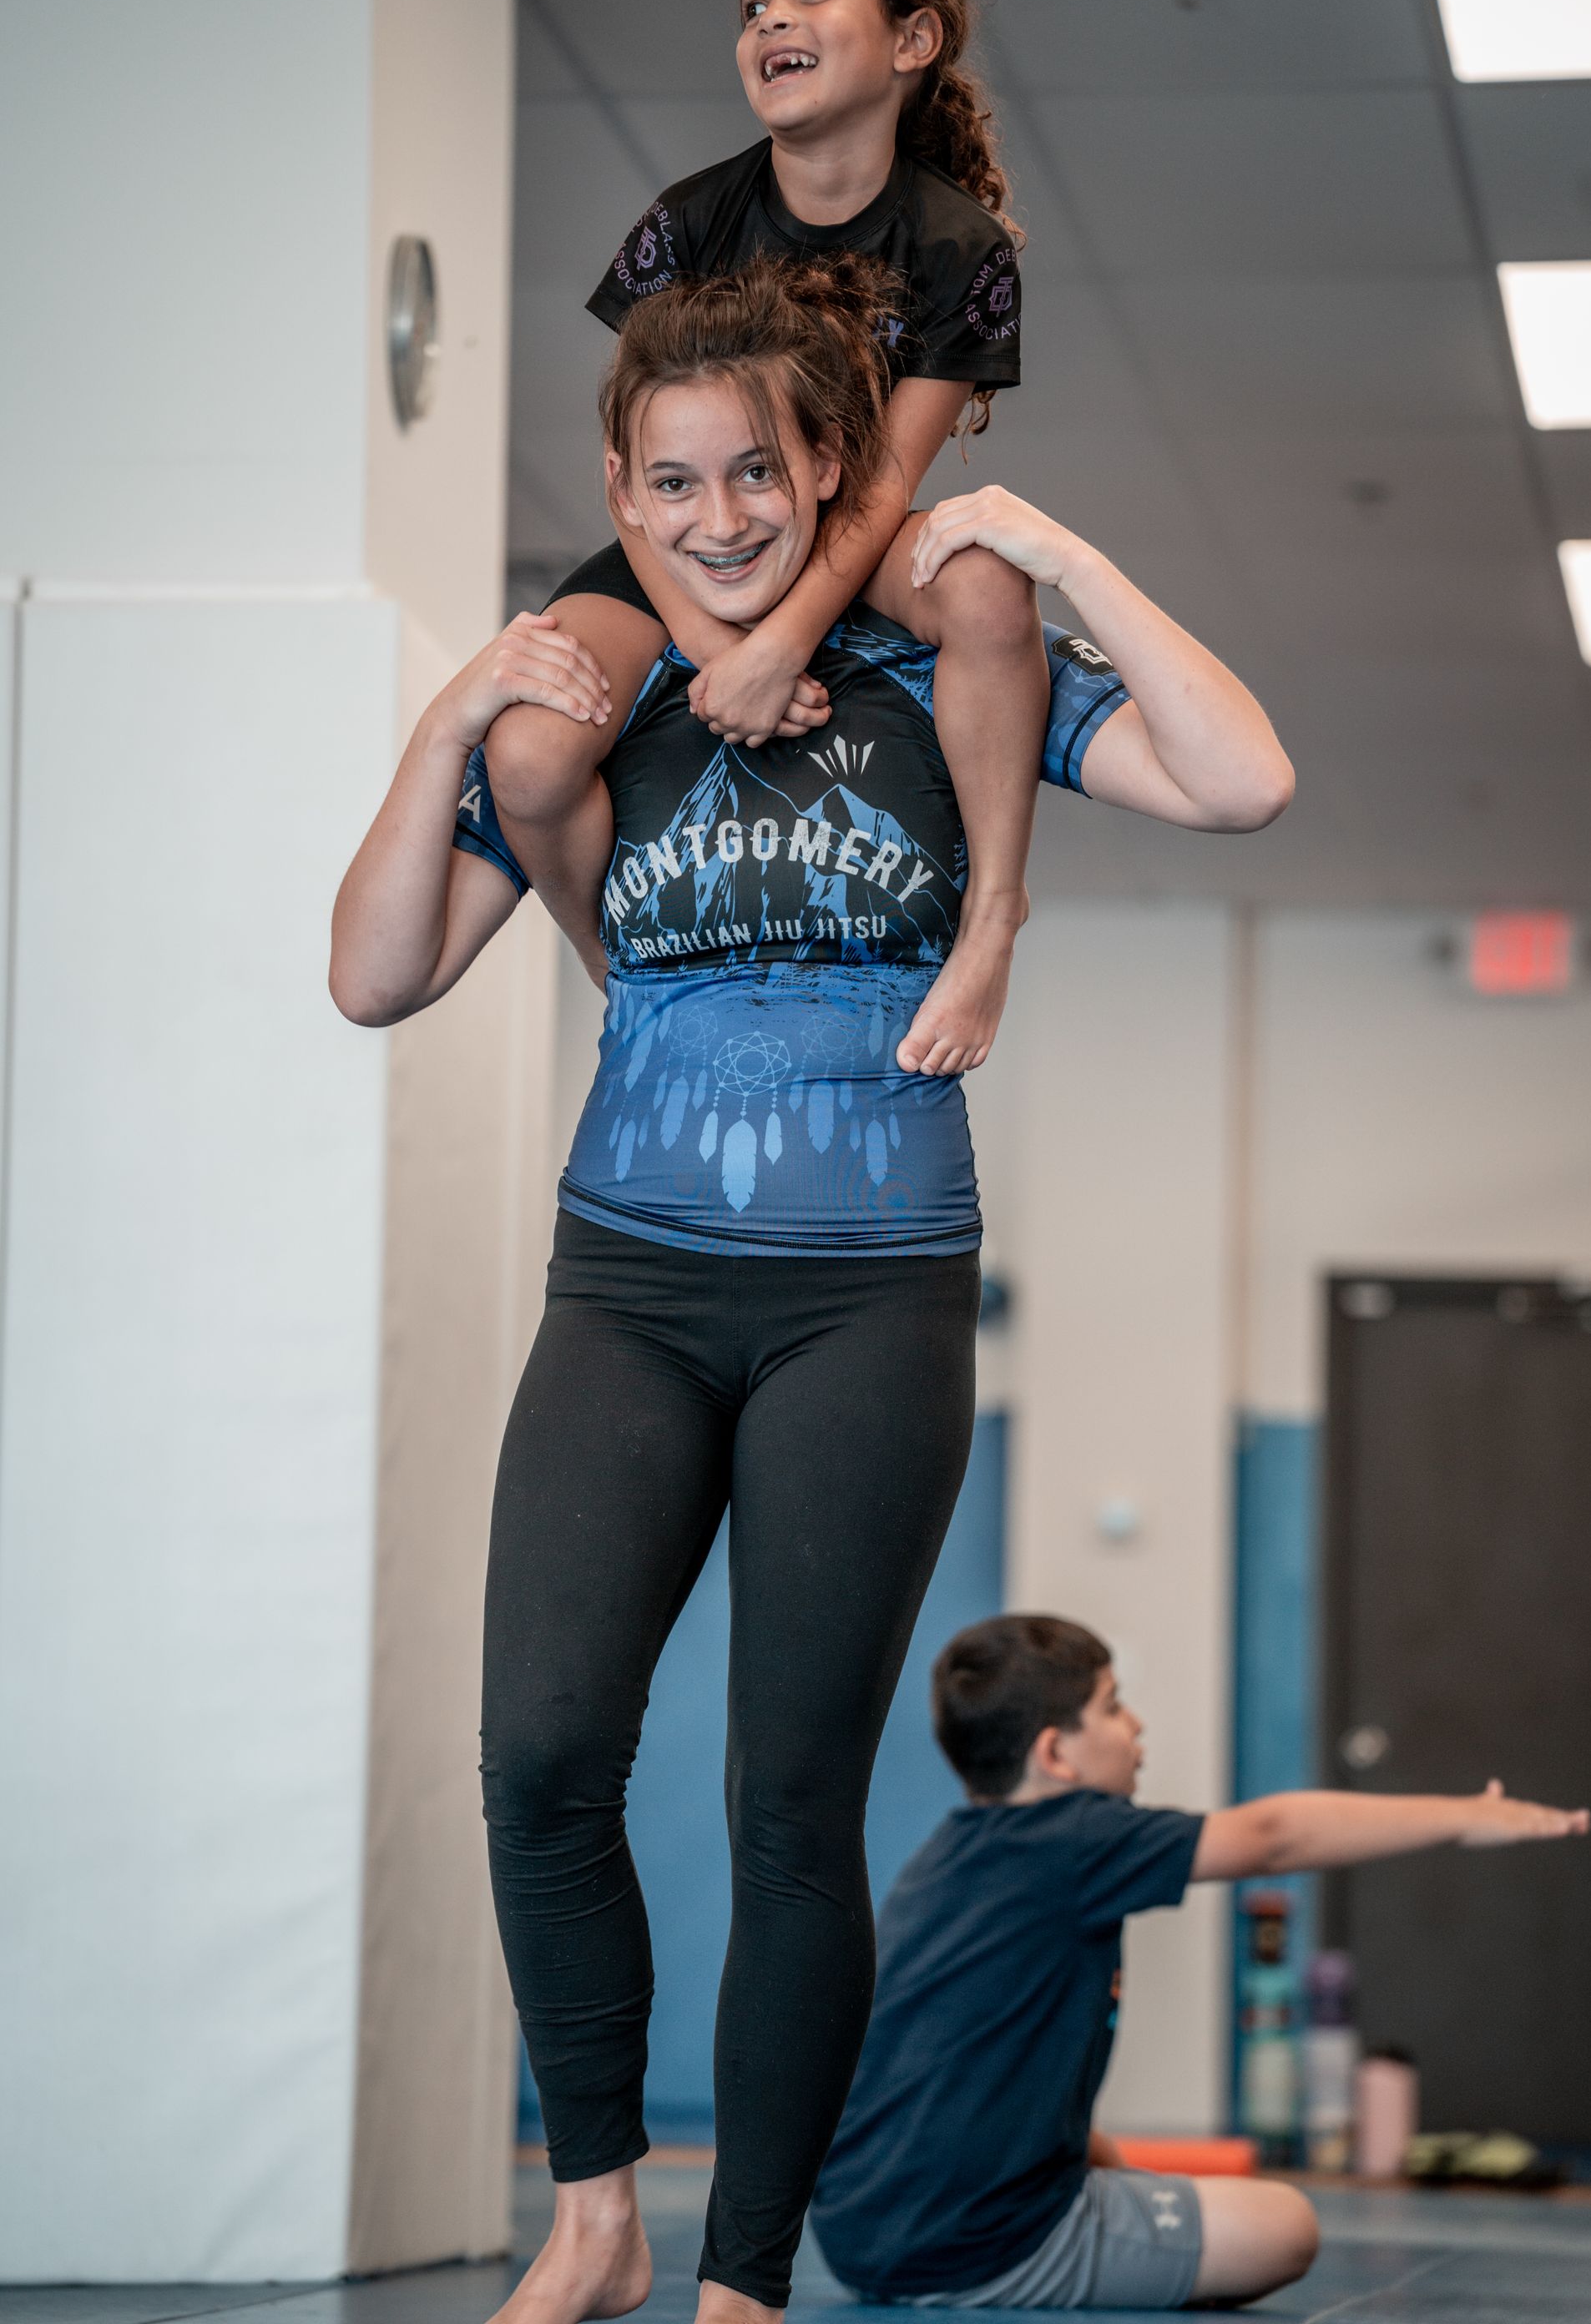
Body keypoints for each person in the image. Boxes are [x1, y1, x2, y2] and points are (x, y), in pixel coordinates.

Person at [329, 258, 1291, 2324]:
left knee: (787, 1799)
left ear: (829, 467)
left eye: (754, 473)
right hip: (632, 1282)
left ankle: (743, 2280)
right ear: (621, 486)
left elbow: (1243, 779)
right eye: (668, 484)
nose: (715, 518)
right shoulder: (611, 702)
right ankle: (593, 2207)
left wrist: (1044, 543)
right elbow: (375, 971)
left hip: (875, 1298)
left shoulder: (950, 674)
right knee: (538, 1747)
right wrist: (439, 729)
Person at [487, 0, 1052, 1080]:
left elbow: (888, 477)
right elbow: (640, 477)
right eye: (753, 6)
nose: (773, 21)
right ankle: (619, 962)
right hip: (683, 546)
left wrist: (785, 637)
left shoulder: (961, 248)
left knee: (990, 586)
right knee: (534, 757)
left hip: (847, 526)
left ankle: (993, 914)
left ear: (912, 37)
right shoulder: (690, 223)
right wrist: (703, 644)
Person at [809, 1614, 1591, 2312]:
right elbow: (1273, 1835)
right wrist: (1467, 1818)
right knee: (1283, 2225)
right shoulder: (1074, 1839)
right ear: (1055, 1754)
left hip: (857, 2237)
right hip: (973, 2247)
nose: (1137, 1727)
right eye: (1113, 1707)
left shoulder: (945, 1860)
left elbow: (975, 2074)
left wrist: (1123, 2174)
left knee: (1179, 2196)